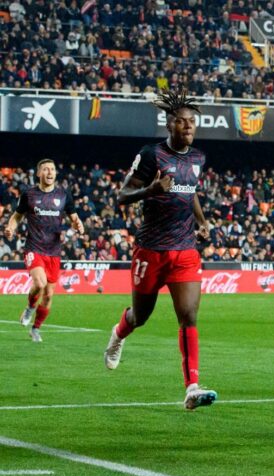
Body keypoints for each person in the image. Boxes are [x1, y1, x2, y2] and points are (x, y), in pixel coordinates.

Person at [102, 89, 217, 411]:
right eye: (182, 122)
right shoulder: (151, 154)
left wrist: (202, 221)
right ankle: (118, 335)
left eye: (192, 122)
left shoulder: (198, 159)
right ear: (169, 126)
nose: (188, 127)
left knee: (189, 315)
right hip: (150, 251)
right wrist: (150, 189)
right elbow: (123, 196)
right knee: (141, 316)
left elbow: (190, 192)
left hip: (184, 250)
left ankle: (191, 386)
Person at [4, 159, 85, 343]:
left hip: (54, 252)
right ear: (39, 173)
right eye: (45, 169)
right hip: (34, 248)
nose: (49, 172)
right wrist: (11, 227)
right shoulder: (29, 195)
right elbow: (17, 216)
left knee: (48, 296)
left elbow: (74, 218)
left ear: (56, 173)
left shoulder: (64, 195)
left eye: (52, 169)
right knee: (39, 284)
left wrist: (78, 225)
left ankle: (36, 328)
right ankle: (30, 308)